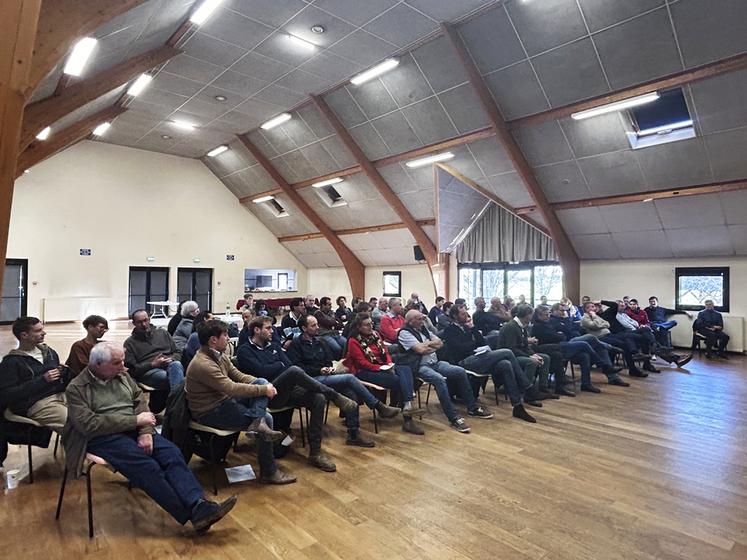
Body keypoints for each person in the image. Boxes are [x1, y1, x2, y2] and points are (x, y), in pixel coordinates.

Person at [63, 341, 236, 533]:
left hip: (134, 427)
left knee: (171, 453)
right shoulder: (77, 388)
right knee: (147, 466)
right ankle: (192, 513)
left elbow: (140, 402)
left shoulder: (122, 376)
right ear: (96, 365)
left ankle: (198, 504)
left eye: (122, 361)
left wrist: (145, 432)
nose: (123, 366)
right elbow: (89, 424)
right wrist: (134, 421)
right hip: (102, 436)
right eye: (117, 363)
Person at [236, 316, 358, 472]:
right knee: (294, 372)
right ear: (256, 330)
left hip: (288, 389)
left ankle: (315, 453)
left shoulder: (274, 345)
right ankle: (333, 395)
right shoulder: (244, 351)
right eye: (268, 328)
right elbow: (262, 371)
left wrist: (277, 366)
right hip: (267, 397)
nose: (272, 331)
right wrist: (278, 365)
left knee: (318, 398)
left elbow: (288, 365)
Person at [185, 320, 296, 484]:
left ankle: (257, 421)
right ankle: (269, 472)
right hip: (211, 411)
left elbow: (238, 375)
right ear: (213, 340)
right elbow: (231, 387)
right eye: (225, 335)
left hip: (225, 402)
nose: (229, 338)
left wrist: (262, 383)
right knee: (268, 417)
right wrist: (263, 390)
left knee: (260, 383)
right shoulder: (203, 364)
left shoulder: (219, 356)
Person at [287, 315, 400, 446]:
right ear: (303, 328)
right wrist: (319, 370)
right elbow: (297, 367)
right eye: (313, 325)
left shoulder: (320, 342)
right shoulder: (296, 345)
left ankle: (353, 434)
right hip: (310, 380)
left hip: (326, 377)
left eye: (317, 324)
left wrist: (327, 368)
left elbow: (328, 360)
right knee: (350, 378)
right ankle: (378, 406)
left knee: (351, 393)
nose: (318, 327)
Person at [398, 310, 492, 432]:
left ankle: (472, 408)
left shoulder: (424, 330)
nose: (422, 321)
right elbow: (420, 350)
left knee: (460, 371)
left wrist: (427, 345)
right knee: (439, 379)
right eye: (419, 319)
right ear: (410, 321)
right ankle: (453, 418)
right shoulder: (404, 333)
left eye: (422, 318)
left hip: (435, 363)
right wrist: (429, 346)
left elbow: (440, 343)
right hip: (420, 366)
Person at [442, 306, 536, 422]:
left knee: (505, 364)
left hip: (477, 357)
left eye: (466, 314)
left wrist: (473, 329)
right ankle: (527, 386)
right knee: (507, 352)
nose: (466, 316)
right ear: (455, 316)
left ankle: (517, 406)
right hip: (464, 362)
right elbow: (459, 349)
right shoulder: (449, 330)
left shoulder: (467, 328)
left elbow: (482, 342)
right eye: (462, 314)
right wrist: (473, 344)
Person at [344, 313, 425, 435]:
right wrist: (381, 368)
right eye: (366, 325)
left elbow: (385, 352)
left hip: (383, 367)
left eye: (371, 323)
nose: (370, 326)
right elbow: (361, 363)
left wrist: (389, 364)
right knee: (400, 381)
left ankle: (407, 405)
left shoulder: (375, 335)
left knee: (406, 369)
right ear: (359, 327)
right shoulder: (353, 341)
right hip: (364, 371)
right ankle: (408, 418)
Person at [0, 317, 67, 432]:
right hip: (36, 404)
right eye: (38, 331)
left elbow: (58, 379)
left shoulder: (49, 352)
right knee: (76, 425)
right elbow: (7, 394)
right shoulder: (11, 362)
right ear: (24, 335)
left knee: (92, 414)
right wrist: (42, 380)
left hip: (60, 395)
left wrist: (64, 373)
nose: (44, 333)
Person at [497, 304, 573, 398]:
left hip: (518, 353)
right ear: (528, 315)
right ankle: (528, 392)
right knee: (531, 362)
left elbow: (524, 345)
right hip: (509, 356)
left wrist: (534, 354)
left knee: (545, 358)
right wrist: (530, 356)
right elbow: (511, 349)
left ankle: (542, 388)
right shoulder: (511, 327)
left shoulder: (521, 326)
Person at [531, 306, 606, 393]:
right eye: (546, 314)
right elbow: (556, 336)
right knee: (584, 344)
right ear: (539, 316)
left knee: (584, 356)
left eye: (548, 314)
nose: (548, 316)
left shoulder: (547, 323)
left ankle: (586, 384)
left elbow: (566, 332)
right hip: (554, 348)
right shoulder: (539, 325)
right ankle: (603, 365)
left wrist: (560, 334)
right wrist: (560, 333)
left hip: (560, 345)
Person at [124, 309, 185, 413]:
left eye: (146, 320)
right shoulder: (130, 343)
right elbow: (132, 369)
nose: (144, 324)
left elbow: (177, 351)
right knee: (176, 379)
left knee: (176, 365)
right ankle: (177, 407)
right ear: (134, 323)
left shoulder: (162, 333)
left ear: (149, 319)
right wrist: (152, 364)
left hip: (171, 365)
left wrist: (172, 358)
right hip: (150, 372)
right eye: (140, 322)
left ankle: (173, 408)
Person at [579, 302, 639, 382]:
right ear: (587, 309)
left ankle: (633, 364)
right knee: (623, 345)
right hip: (599, 338)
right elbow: (595, 325)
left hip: (608, 335)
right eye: (592, 307)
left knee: (627, 339)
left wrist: (600, 323)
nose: (595, 308)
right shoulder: (584, 319)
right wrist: (595, 317)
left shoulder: (596, 316)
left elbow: (607, 324)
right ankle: (632, 368)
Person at [627, 299, 692, 367]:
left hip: (647, 330)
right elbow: (629, 325)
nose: (632, 306)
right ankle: (676, 358)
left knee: (655, 341)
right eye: (630, 304)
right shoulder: (628, 313)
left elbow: (647, 322)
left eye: (634, 304)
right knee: (654, 343)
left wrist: (646, 325)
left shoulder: (642, 312)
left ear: (637, 304)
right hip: (639, 331)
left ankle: (675, 358)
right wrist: (640, 326)